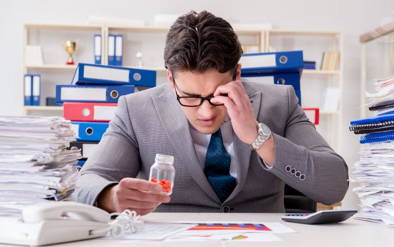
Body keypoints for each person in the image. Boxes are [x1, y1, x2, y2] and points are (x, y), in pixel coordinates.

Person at [75, 10, 349, 215]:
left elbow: (334, 186)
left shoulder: (281, 101)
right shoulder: (136, 110)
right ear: (171, 81)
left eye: (219, 95)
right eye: (191, 96)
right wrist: (110, 196)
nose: (205, 111)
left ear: (237, 74)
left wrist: (258, 136)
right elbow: (85, 182)